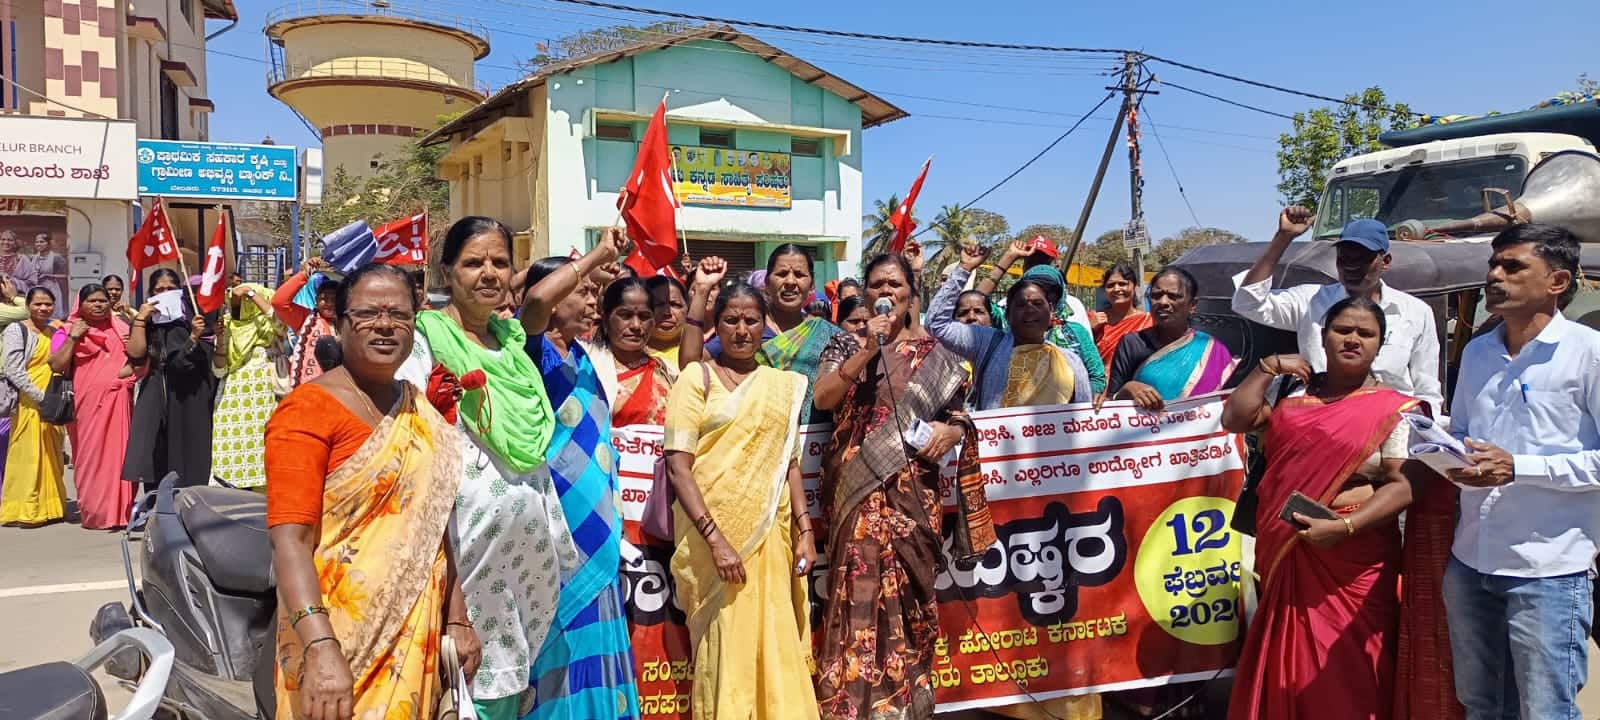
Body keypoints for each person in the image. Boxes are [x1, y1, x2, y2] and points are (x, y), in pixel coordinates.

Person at [265, 263, 480, 720]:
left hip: (415, 635)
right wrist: (321, 647)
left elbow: (435, 528)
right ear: (340, 323)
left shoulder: (418, 409)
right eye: (367, 314)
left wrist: (457, 619)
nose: (385, 325)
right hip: (335, 639)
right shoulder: (306, 411)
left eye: (399, 315)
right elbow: (290, 542)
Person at [407, 216, 571, 720]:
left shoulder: (514, 346)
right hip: (462, 550)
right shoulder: (424, 343)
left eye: (500, 262)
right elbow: (415, 447)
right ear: (447, 272)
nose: (489, 273)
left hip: (523, 556)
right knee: (459, 684)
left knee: (509, 683)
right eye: (473, 262)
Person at [1222, 297, 1417, 719]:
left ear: (1380, 344)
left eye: (1366, 333)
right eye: (1342, 330)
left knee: (1351, 664)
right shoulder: (1292, 390)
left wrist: (1345, 528)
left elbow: (1402, 486)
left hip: (1356, 558)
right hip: (1288, 545)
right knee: (1288, 661)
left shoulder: (1393, 408)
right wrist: (1267, 367)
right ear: (1323, 336)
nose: (1353, 339)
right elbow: (1235, 419)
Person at [811, 253, 982, 720]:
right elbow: (823, 398)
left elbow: (958, 413)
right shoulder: (845, 345)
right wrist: (869, 348)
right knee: (856, 596)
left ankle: (906, 706)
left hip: (913, 497)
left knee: (912, 602)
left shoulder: (939, 357)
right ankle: (849, 709)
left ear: (911, 292)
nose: (885, 292)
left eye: (894, 284)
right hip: (856, 492)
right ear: (865, 294)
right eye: (876, 285)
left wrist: (955, 430)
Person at [1441, 224, 1600, 720]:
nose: (1494, 275)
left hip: (1549, 568)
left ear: (1557, 281)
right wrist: (1452, 459)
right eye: (1493, 264)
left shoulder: (1589, 352)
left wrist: (1519, 468)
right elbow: (1463, 432)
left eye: (1512, 266)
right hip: (1471, 560)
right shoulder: (1477, 352)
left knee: (1545, 711)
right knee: (1481, 706)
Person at [662, 281, 818, 720]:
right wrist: (716, 541)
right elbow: (678, 466)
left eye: (751, 320)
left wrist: (805, 532)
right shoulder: (696, 379)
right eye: (731, 320)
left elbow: (789, 464)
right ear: (718, 324)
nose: (742, 330)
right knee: (726, 643)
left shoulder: (781, 386)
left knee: (775, 638)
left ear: (764, 324)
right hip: (714, 544)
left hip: (770, 540)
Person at [517, 241, 642, 720]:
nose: (593, 302)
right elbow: (532, 302)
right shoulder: (533, 352)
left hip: (598, 525)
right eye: (583, 292)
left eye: (594, 292)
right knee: (561, 634)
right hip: (559, 524)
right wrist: (592, 258)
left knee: (599, 624)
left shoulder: (583, 355)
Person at [1232, 207, 1443, 414]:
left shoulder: (1416, 311)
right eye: (1344, 257)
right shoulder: (1310, 300)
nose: (1351, 266)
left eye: (1362, 258)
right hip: (1323, 421)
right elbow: (1246, 303)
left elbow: (1427, 388)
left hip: (1390, 425)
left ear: (1385, 262)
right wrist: (1283, 237)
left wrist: (1420, 429)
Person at [688, 244, 842, 425]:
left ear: (812, 284)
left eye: (799, 274)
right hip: (750, 433)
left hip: (814, 439)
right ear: (767, 283)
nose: (790, 281)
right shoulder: (748, 328)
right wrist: (701, 290)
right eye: (782, 274)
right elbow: (691, 364)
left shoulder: (830, 334)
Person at [928, 244, 1091, 410]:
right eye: (1021, 304)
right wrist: (964, 269)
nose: (1030, 310)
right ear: (1007, 314)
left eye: (1037, 303)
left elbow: (1082, 416)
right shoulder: (988, 344)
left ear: (1050, 312)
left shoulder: (1071, 362)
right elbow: (936, 324)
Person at [48, 284, 136, 529]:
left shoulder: (121, 328)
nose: (98, 305)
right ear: (81, 304)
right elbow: (56, 365)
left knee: (119, 457)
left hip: (118, 402)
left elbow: (139, 358)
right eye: (92, 301)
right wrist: (74, 337)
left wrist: (124, 378)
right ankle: (95, 513)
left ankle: (120, 514)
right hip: (85, 406)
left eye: (102, 300)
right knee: (89, 458)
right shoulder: (66, 329)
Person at [124, 269, 217, 487]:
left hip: (191, 392)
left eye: (170, 289)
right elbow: (136, 355)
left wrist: (193, 335)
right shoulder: (148, 321)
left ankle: (190, 499)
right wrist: (141, 319)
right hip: (159, 389)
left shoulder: (193, 317)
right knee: (157, 449)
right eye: (159, 290)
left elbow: (202, 355)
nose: (165, 294)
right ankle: (159, 500)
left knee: (191, 450)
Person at [1107, 267, 1237, 411]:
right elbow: (1111, 404)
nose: (1163, 302)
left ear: (1192, 305)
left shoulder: (1212, 350)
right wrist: (1128, 388)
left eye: (1173, 296)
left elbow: (1229, 406)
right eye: (1156, 296)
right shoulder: (1132, 343)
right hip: (1144, 425)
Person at [0, 287, 65, 525]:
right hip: (29, 402)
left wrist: (52, 400)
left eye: (48, 304)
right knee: (27, 456)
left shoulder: (56, 331)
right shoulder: (16, 330)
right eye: (38, 304)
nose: (43, 308)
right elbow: (13, 369)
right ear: (27, 305)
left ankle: (51, 508)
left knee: (52, 455)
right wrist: (39, 397)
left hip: (53, 402)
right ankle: (23, 510)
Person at [211, 283, 284, 489]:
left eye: (244, 302)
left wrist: (251, 294)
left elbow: (281, 322)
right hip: (232, 405)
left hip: (264, 401)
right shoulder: (226, 325)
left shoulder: (268, 326)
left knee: (266, 456)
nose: (239, 306)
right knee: (232, 460)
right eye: (235, 302)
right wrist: (220, 339)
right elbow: (219, 370)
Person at [590, 277, 675, 427]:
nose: (636, 325)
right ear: (606, 320)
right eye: (625, 315)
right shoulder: (588, 365)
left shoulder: (667, 372)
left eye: (644, 317)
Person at [274, 257, 340, 387]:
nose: (329, 303)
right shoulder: (306, 319)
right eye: (324, 298)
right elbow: (279, 303)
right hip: (311, 388)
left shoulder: (350, 320)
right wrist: (304, 274)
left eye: (334, 299)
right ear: (316, 300)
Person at [1091, 263, 1151, 372]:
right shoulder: (1094, 319)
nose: (1116, 289)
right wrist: (1090, 330)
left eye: (1122, 284)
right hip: (1101, 381)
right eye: (1110, 285)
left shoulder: (1148, 321)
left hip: (1136, 380)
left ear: (1135, 287)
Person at [646, 275, 689, 368]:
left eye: (675, 304)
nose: (667, 312)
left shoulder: (701, 353)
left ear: (687, 309)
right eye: (658, 304)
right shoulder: (624, 353)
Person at [31, 233, 67, 320]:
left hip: (51, 288)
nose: (39, 244)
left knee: (51, 314)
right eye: (37, 242)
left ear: (48, 243)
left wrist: (48, 275)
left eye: (42, 242)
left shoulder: (57, 258)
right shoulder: (33, 257)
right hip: (36, 288)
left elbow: (65, 275)